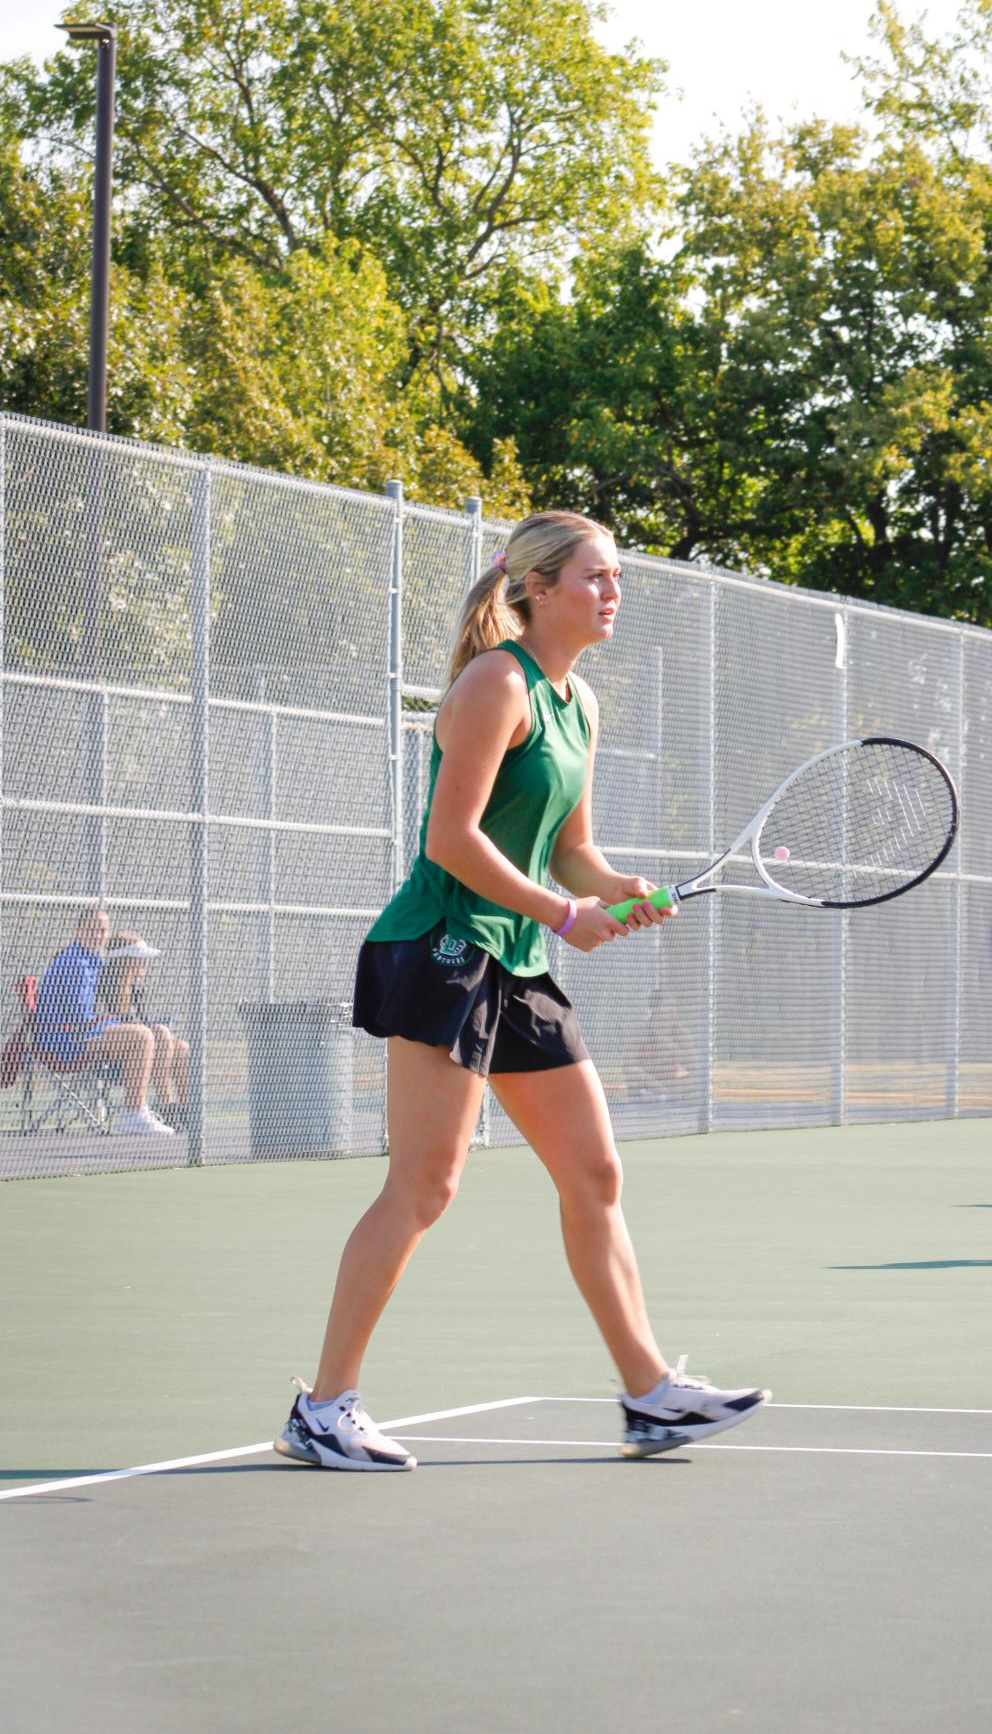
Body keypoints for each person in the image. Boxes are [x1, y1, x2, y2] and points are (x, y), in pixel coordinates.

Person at [275, 510, 769, 1471]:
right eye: (595, 577)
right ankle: (323, 1407)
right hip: (442, 948)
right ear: (537, 587)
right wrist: (560, 910)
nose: (612, 593)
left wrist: (611, 887)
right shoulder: (496, 683)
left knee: (595, 1174)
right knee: (425, 1186)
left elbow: (571, 849)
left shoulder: (578, 703)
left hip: (518, 959)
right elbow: (451, 839)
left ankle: (650, 1394)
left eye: (618, 577)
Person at [32, 907, 174, 1136]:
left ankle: (164, 1109)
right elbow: (79, 1018)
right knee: (141, 1035)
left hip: (80, 1034)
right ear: (77, 930)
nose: (97, 935)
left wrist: (108, 1021)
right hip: (64, 1041)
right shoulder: (75, 963)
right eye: (91, 929)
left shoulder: (92, 961)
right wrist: (109, 1022)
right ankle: (133, 1113)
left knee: (153, 1033)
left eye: (102, 930)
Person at [94, 933, 190, 1131]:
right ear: (125, 960)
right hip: (116, 1058)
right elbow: (114, 1024)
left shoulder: (137, 988)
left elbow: (143, 1023)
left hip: (145, 1051)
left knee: (181, 1048)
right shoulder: (103, 985)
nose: (145, 963)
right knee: (161, 1033)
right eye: (140, 958)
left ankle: (187, 1111)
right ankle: (166, 1106)